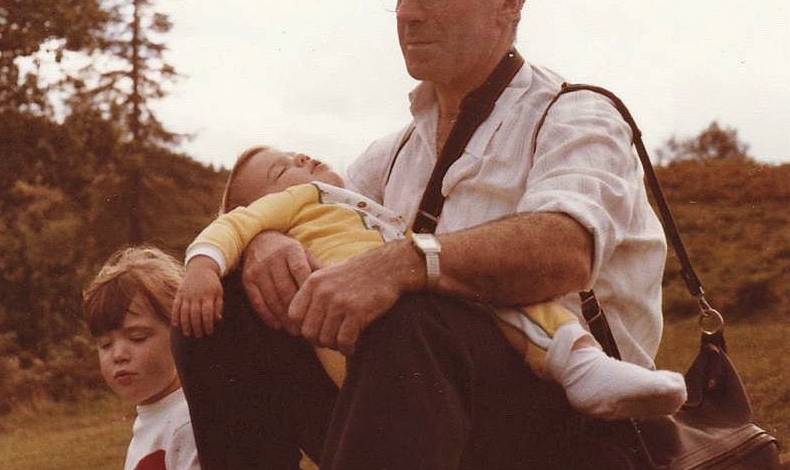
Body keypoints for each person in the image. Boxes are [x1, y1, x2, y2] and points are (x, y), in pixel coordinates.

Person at [172, 0, 669, 470]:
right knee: (219, 314)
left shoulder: (576, 117)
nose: (407, 11)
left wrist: (409, 263)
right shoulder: (394, 156)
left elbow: (566, 248)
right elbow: (312, 209)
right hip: (434, 432)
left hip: (574, 446)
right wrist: (267, 243)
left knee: (416, 313)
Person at [172, 145, 685, 419]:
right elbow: (231, 226)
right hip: (367, 337)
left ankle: (586, 366)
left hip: (426, 326)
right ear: (264, 204)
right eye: (281, 169)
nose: (301, 160)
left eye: (297, 151)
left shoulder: (358, 198)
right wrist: (207, 264)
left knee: (498, 297)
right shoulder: (302, 205)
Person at [3, 246, 218, 470]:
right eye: (105, 344)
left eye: (138, 337)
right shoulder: (152, 417)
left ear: (182, 333)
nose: (119, 354)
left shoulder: (188, 420)